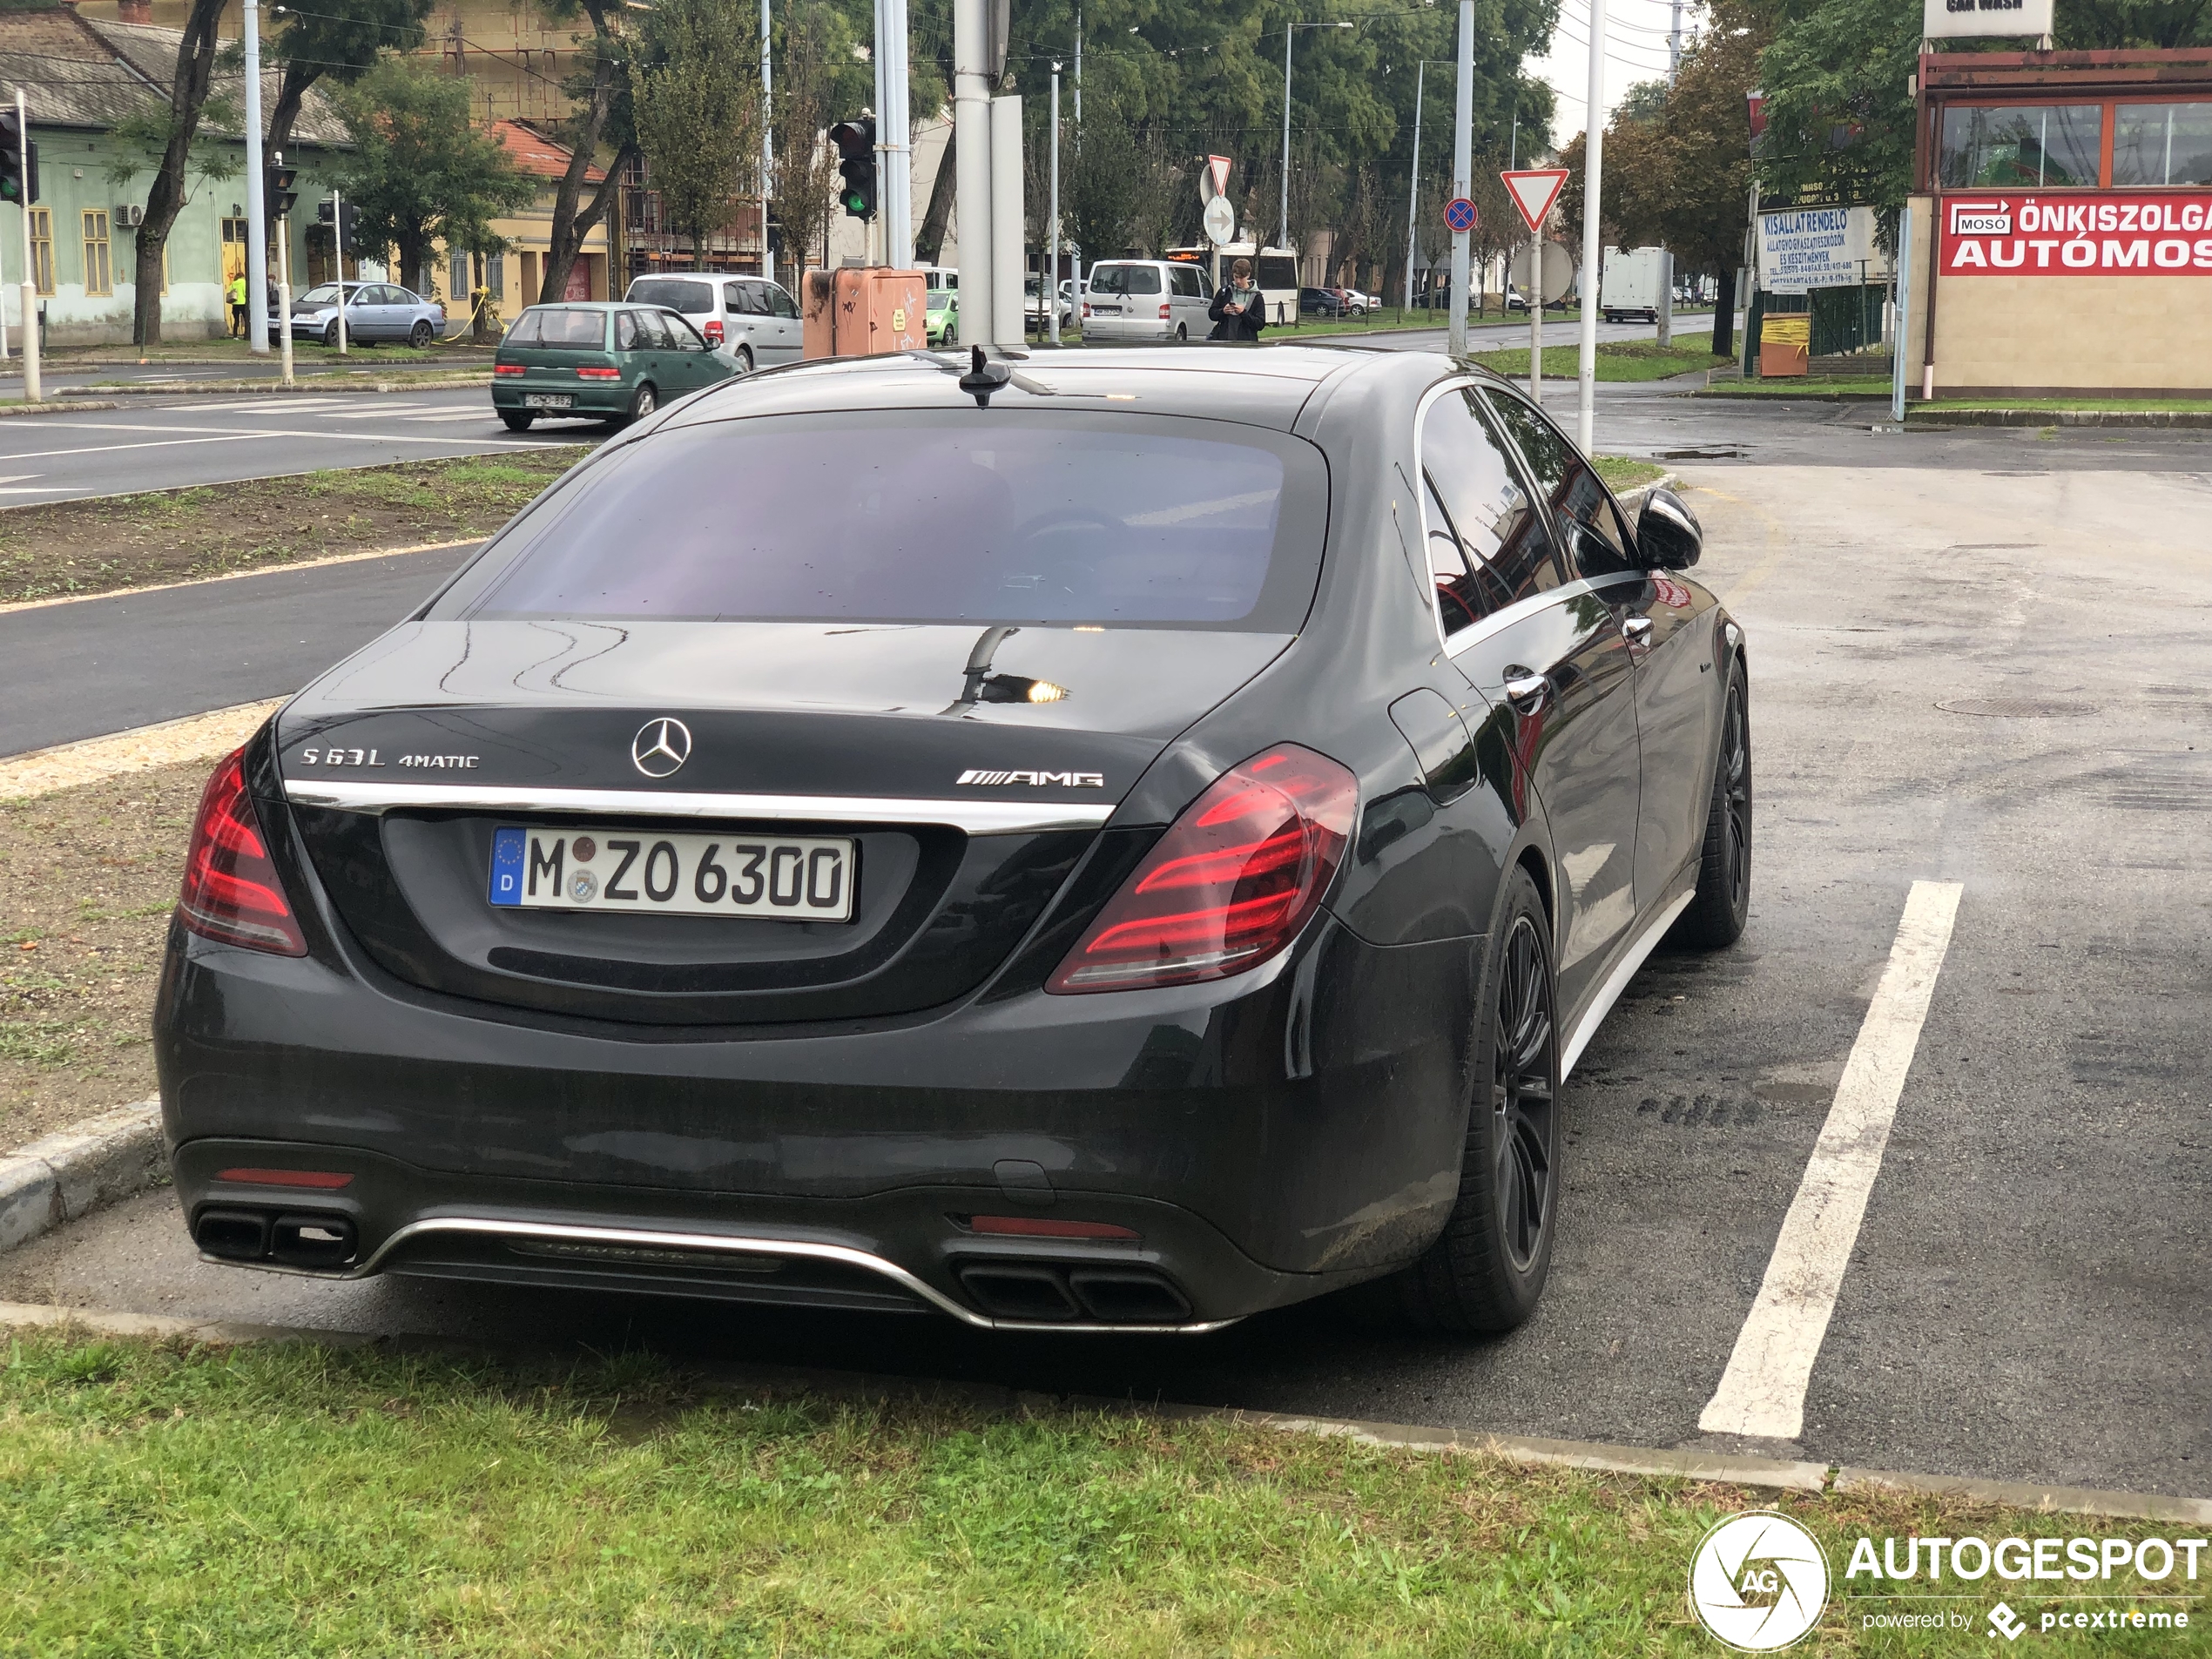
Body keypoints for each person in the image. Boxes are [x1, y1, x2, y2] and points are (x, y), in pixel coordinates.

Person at [1208, 258, 1265, 342]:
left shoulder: (1257, 297)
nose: (1238, 281)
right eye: (1236, 277)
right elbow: (1212, 314)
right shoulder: (1225, 291)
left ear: (1248, 275)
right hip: (1224, 342)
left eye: (1241, 278)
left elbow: (1260, 324)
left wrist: (1243, 313)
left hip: (1246, 345)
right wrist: (1223, 311)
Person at [226, 273, 247, 338]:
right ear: (242, 277)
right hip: (243, 303)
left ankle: (235, 336)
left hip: (235, 303)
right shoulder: (244, 282)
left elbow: (230, 291)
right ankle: (246, 334)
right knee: (246, 319)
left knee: (236, 320)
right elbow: (245, 292)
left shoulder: (233, 283)